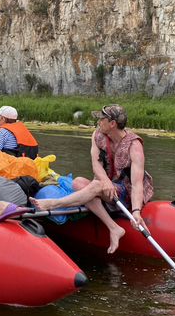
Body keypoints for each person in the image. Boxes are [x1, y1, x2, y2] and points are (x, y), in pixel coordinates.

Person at [30, 104, 154, 254]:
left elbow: (137, 183)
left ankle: (53, 204)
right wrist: (106, 182)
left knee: (96, 185)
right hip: (106, 186)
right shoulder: (97, 135)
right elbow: (96, 165)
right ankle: (114, 228)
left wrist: (136, 211)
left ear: (112, 123)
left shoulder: (134, 146)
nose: (98, 122)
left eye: (101, 119)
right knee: (78, 183)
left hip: (126, 192)